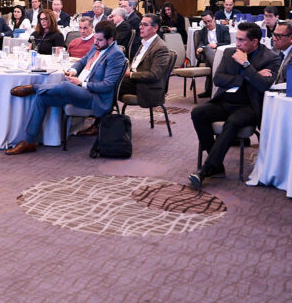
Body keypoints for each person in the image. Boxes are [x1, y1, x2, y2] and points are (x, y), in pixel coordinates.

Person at [6, 20, 126, 155]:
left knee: (65, 86)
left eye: (99, 40)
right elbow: (82, 61)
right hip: (81, 90)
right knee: (42, 97)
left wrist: (80, 83)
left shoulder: (116, 55)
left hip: (96, 97)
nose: (95, 42)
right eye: (95, 39)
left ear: (110, 40)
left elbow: (107, 86)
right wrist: (73, 71)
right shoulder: (97, 46)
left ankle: (34, 87)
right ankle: (29, 141)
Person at [189, 22, 281, 190]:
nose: (237, 44)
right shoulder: (230, 52)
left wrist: (246, 65)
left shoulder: (271, 57)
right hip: (225, 101)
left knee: (233, 122)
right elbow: (218, 79)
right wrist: (249, 77)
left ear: (255, 41)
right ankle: (216, 164)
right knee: (198, 113)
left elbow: (263, 85)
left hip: (248, 106)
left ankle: (207, 169)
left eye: (241, 40)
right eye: (236, 39)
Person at [118, 14, 171, 106]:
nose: (140, 27)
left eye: (145, 25)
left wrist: (130, 74)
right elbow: (136, 65)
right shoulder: (144, 43)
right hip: (136, 81)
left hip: (147, 87)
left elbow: (154, 75)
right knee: (109, 79)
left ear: (155, 28)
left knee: (111, 83)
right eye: (140, 24)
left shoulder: (160, 48)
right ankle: (105, 111)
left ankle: (104, 112)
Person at [194, 10, 231, 98]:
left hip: (219, 54)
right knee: (207, 49)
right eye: (205, 22)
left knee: (212, 63)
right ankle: (216, 90)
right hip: (206, 55)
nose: (207, 24)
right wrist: (201, 47)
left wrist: (216, 45)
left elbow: (227, 42)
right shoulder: (202, 31)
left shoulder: (223, 29)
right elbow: (200, 43)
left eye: (209, 21)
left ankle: (209, 90)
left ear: (214, 19)